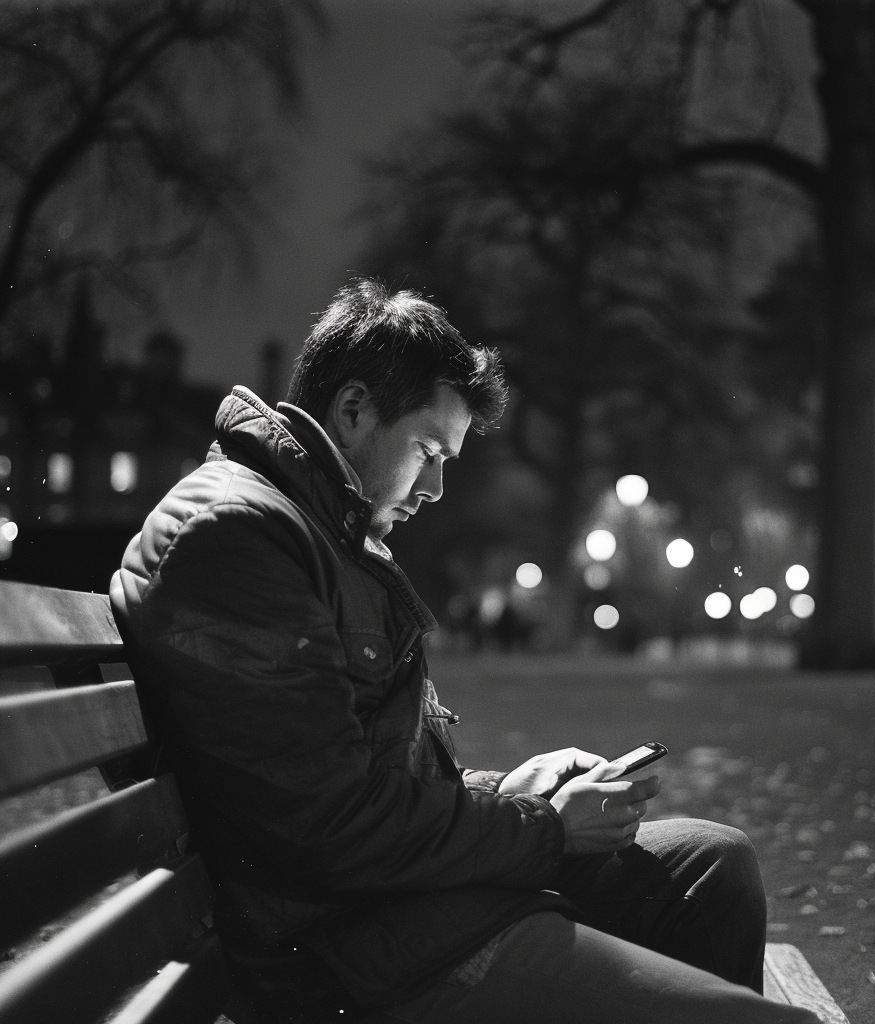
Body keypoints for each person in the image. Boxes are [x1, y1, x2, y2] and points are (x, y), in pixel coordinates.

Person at [111, 278, 819, 1024]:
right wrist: (546, 827)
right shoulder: (243, 538)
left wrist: (516, 788)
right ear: (353, 412)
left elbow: (359, 778)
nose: (438, 487)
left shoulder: (314, 528)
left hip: (397, 914)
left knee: (715, 865)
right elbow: (331, 828)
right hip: (349, 963)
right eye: (427, 450)